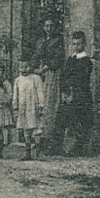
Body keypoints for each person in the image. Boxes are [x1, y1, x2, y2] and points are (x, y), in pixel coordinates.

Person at [27, 17, 65, 152]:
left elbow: (58, 59)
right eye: (46, 26)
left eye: (51, 26)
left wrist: (46, 67)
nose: (49, 28)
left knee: (50, 105)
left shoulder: (58, 41)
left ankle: (48, 139)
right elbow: (35, 57)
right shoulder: (40, 41)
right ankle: (38, 138)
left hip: (52, 75)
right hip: (40, 75)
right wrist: (35, 68)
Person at [59, 32, 95, 157]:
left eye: (79, 44)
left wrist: (72, 91)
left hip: (81, 95)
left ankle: (79, 148)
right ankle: (61, 146)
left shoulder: (86, 61)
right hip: (68, 94)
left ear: (84, 44)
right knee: (66, 119)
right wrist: (64, 90)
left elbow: (81, 79)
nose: (76, 46)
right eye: (74, 44)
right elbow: (63, 76)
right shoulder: (70, 59)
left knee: (81, 120)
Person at [12, 62, 47, 161]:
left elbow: (40, 92)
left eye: (26, 66)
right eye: (22, 67)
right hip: (23, 108)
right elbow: (15, 94)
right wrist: (15, 107)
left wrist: (41, 105)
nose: (24, 69)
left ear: (30, 67)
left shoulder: (36, 78)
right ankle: (27, 153)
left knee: (37, 130)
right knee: (26, 129)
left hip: (34, 107)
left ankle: (38, 153)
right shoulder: (18, 80)